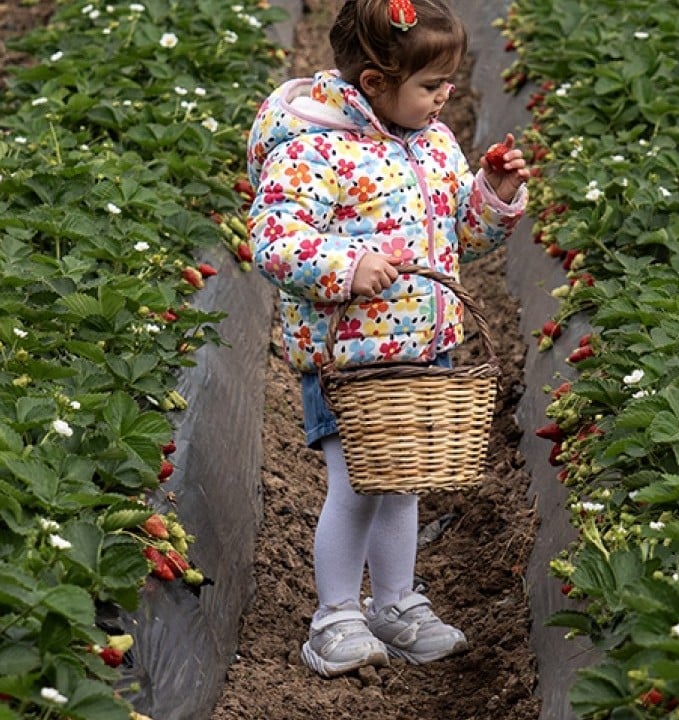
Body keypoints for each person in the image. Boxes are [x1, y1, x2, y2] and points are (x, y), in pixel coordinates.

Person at [244, 0, 528, 678]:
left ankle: (395, 603)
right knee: (357, 487)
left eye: (448, 84)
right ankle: (335, 616)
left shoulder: (432, 140)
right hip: (350, 358)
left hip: (425, 346)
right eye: (431, 86)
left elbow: (463, 232)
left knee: (404, 485)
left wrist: (492, 193)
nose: (445, 98)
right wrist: (347, 266)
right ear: (375, 82)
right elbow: (275, 240)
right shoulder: (314, 147)